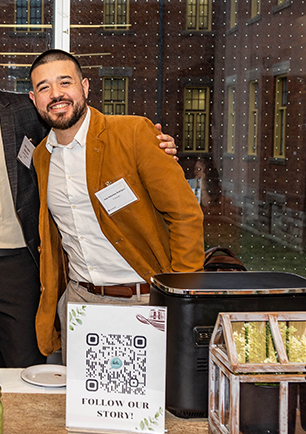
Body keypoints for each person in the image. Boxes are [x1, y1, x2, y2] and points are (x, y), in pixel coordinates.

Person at [0, 20, 178, 367]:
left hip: (18, 268)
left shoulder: (26, 111)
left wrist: (148, 145)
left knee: (27, 371)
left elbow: (77, 131)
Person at [27, 49, 205, 360]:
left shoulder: (133, 133)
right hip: (81, 305)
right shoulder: (41, 157)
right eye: (44, 87)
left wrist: (181, 296)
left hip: (145, 301)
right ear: (34, 99)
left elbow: (185, 215)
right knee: (81, 392)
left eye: (65, 82)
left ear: (85, 87)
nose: (56, 94)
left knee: (153, 392)